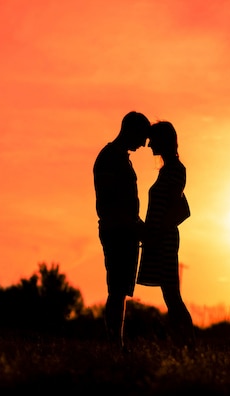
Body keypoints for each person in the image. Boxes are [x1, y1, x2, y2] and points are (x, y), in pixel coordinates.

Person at [93, 111, 150, 350]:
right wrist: (132, 224)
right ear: (130, 130)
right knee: (116, 290)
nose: (144, 143)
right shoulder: (109, 157)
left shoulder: (121, 158)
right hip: (117, 231)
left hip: (126, 231)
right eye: (142, 137)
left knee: (120, 290)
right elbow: (106, 202)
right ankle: (114, 345)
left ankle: (117, 344)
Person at [136, 121, 195, 348]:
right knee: (170, 296)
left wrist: (156, 234)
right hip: (160, 239)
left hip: (164, 241)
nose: (149, 145)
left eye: (153, 140)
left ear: (163, 141)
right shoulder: (169, 170)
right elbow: (182, 208)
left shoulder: (176, 170)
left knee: (172, 296)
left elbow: (179, 210)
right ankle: (182, 344)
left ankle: (188, 345)